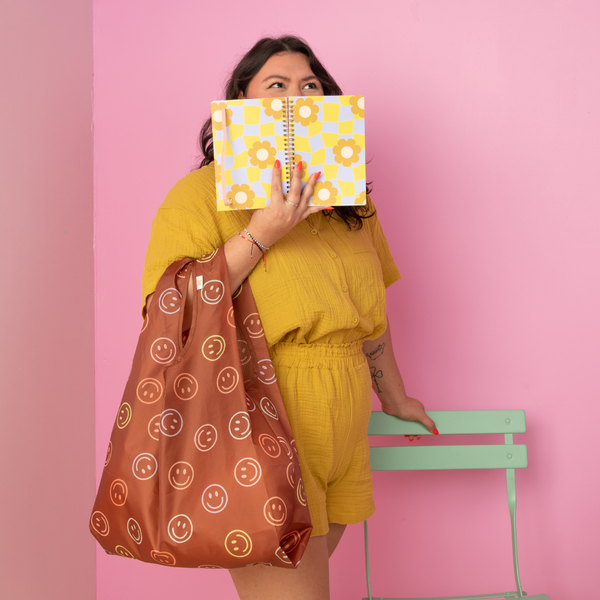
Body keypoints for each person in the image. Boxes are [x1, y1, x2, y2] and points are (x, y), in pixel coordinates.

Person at [142, 35, 437, 600]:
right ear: (241, 101)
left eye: (310, 85)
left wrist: (394, 397)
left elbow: (370, 314)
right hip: (264, 412)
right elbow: (166, 309)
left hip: (343, 417)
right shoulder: (199, 197)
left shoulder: (350, 203)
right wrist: (262, 233)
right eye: (276, 85)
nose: (296, 95)